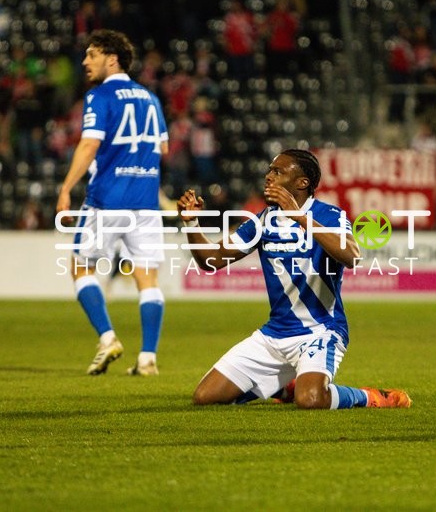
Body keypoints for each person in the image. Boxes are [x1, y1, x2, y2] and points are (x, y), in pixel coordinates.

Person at [177, 149, 412, 410]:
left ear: (302, 183)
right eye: (269, 170)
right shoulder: (264, 221)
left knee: (311, 400)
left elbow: (351, 255)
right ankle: (286, 387)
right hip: (274, 334)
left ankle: (370, 397)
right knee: (205, 397)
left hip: (321, 331)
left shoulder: (328, 215)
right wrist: (191, 222)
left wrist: (299, 217)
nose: (268, 177)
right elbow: (212, 260)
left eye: (277, 172)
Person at [56, 29, 169, 377]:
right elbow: (163, 148)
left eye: (92, 54)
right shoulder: (150, 98)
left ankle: (108, 339)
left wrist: (65, 189)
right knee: (148, 280)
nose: (85, 61)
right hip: (146, 202)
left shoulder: (99, 96)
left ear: (112, 58)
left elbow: (89, 144)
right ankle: (148, 358)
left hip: (107, 199)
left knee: (80, 268)